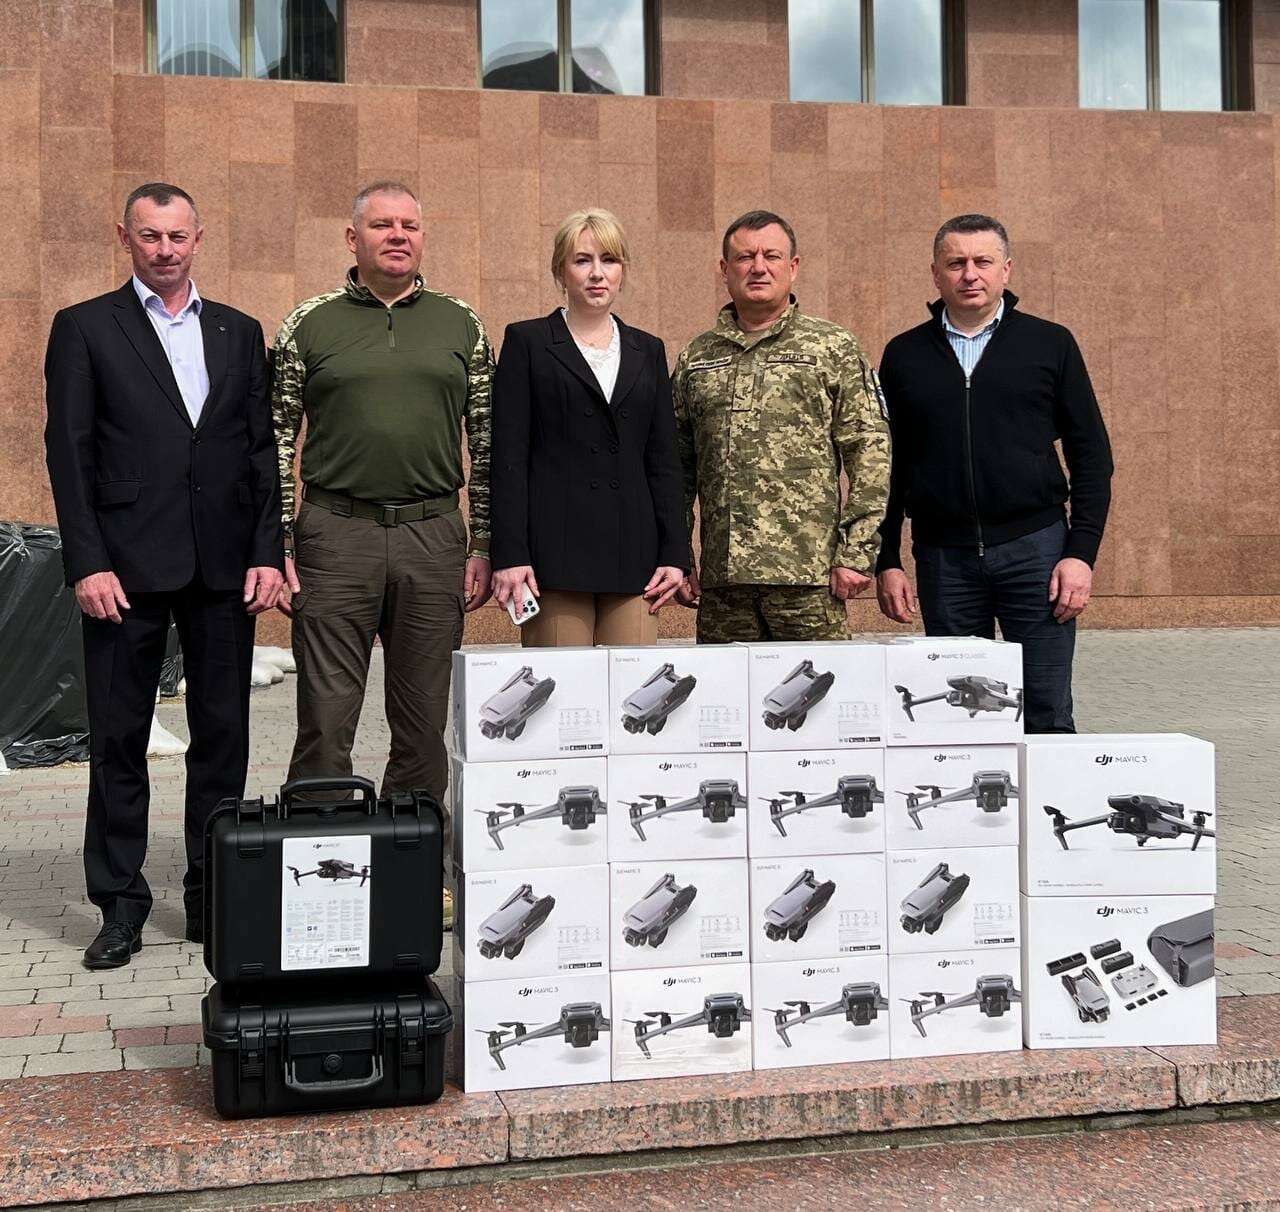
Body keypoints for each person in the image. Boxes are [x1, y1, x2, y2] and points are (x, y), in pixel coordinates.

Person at [43, 182, 284, 969]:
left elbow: (259, 453)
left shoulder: (239, 331)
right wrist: (87, 562)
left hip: (223, 567)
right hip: (125, 569)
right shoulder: (85, 327)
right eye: (150, 236)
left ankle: (213, 897)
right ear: (125, 237)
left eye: (178, 236)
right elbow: (69, 452)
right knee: (118, 742)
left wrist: (266, 551)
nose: (165, 250)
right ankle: (120, 905)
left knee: (223, 738)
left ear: (198, 238)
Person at [272, 180, 492, 818]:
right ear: (353, 238)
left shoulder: (462, 323)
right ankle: (322, 852)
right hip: (335, 535)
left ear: (422, 237)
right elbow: (275, 438)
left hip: (433, 535)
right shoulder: (309, 323)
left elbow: (488, 443)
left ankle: (411, 860)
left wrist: (484, 542)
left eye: (409, 226)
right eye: (382, 225)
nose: (398, 236)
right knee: (326, 716)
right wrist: (277, 542)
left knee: (423, 719)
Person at [875, 214, 1114, 733]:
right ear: (935, 273)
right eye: (955, 263)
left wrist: (1080, 554)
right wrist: (887, 558)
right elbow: (887, 465)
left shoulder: (1050, 344)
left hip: (1037, 551)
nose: (970, 274)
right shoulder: (904, 355)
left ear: (1005, 270)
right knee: (960, 715)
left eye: (983, 261)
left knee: (1046, 708)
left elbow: (1092, 455)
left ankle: (1047, 788)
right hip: (945, 559)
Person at [672, 210, 889, 643]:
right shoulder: (697, 356)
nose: (758, 267)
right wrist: (678, 556)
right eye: (745, 257)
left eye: (771, 256)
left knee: (816, 684)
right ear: (724, 269)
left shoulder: (832, 347)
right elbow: (677, 468)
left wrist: (856, 552)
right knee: (726, 689)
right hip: (723, 584)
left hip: (810, 579)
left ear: (793, 266)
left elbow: (870, 452)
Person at [490, 209, 687, 646]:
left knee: (634, 680)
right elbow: (508, 458)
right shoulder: (528, 342)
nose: (597, 273)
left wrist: (676, 552)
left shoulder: (648, 350)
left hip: (635, 555)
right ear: (561, 270)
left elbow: (664, 462)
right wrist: (511, 553)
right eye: (582, 260)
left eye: (609, 260)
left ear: (622, 271)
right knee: (559, 686)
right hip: (552, 557)